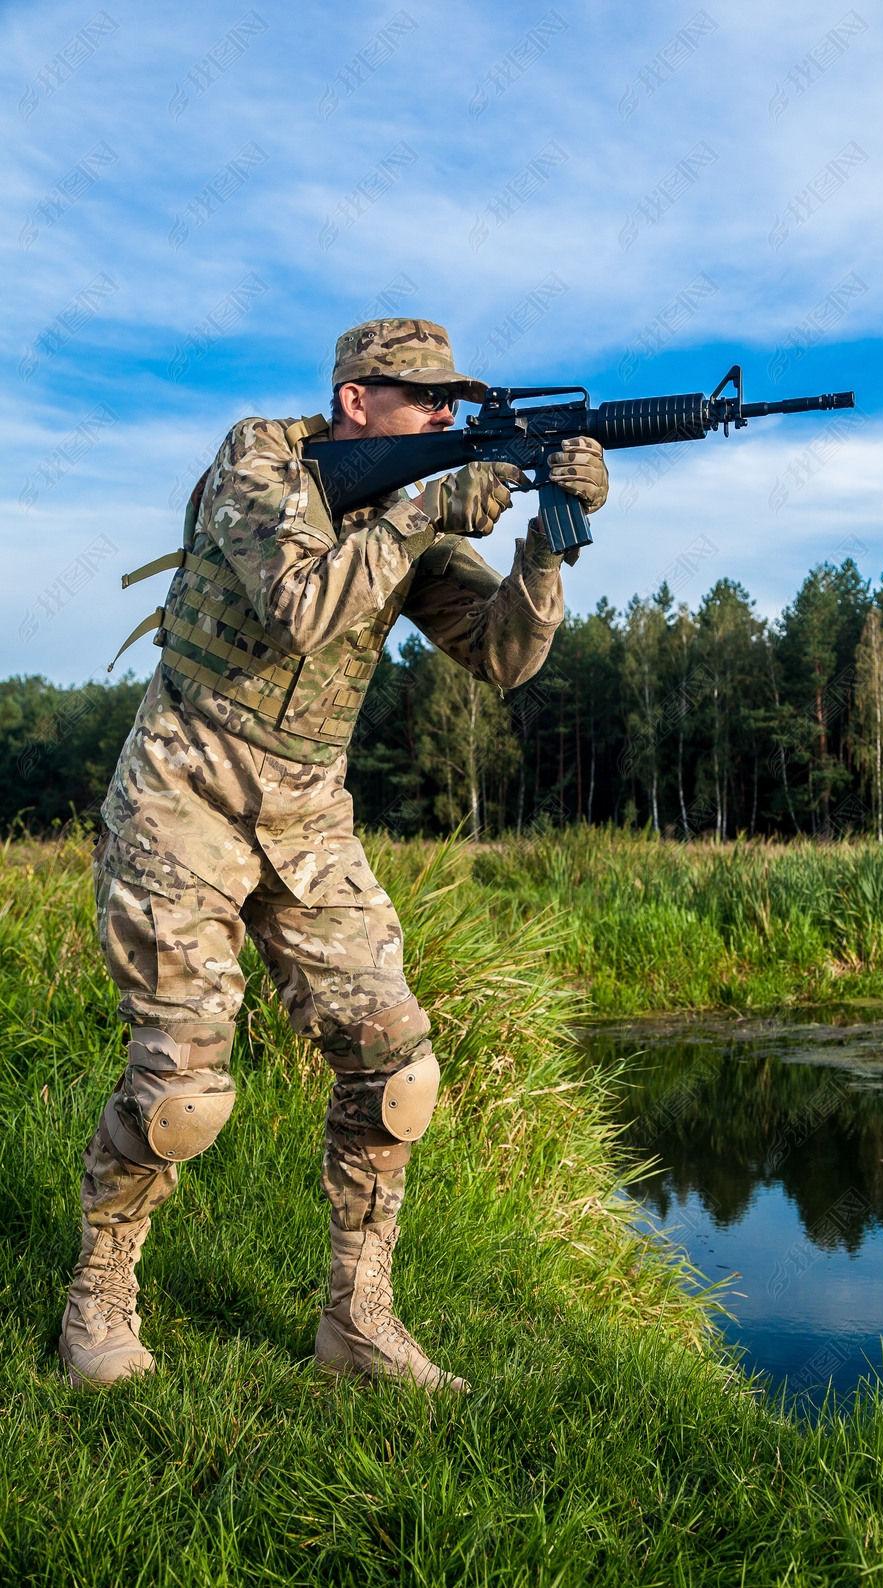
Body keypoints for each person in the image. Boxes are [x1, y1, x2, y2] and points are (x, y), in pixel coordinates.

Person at [58, 318, 608, 1392]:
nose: (448, 419)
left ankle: (357, 1321)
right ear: (359, 401)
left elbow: (501, 655)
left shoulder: (409, 513)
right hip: (186, 791)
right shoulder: (259, 460)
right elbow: (301, 605)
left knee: (397, 1068)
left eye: (457, 405)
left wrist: (547, 537)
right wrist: (419, 512)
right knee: (182, 1093)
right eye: (429, 400)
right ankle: (99, 1299)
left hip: (307, 814)